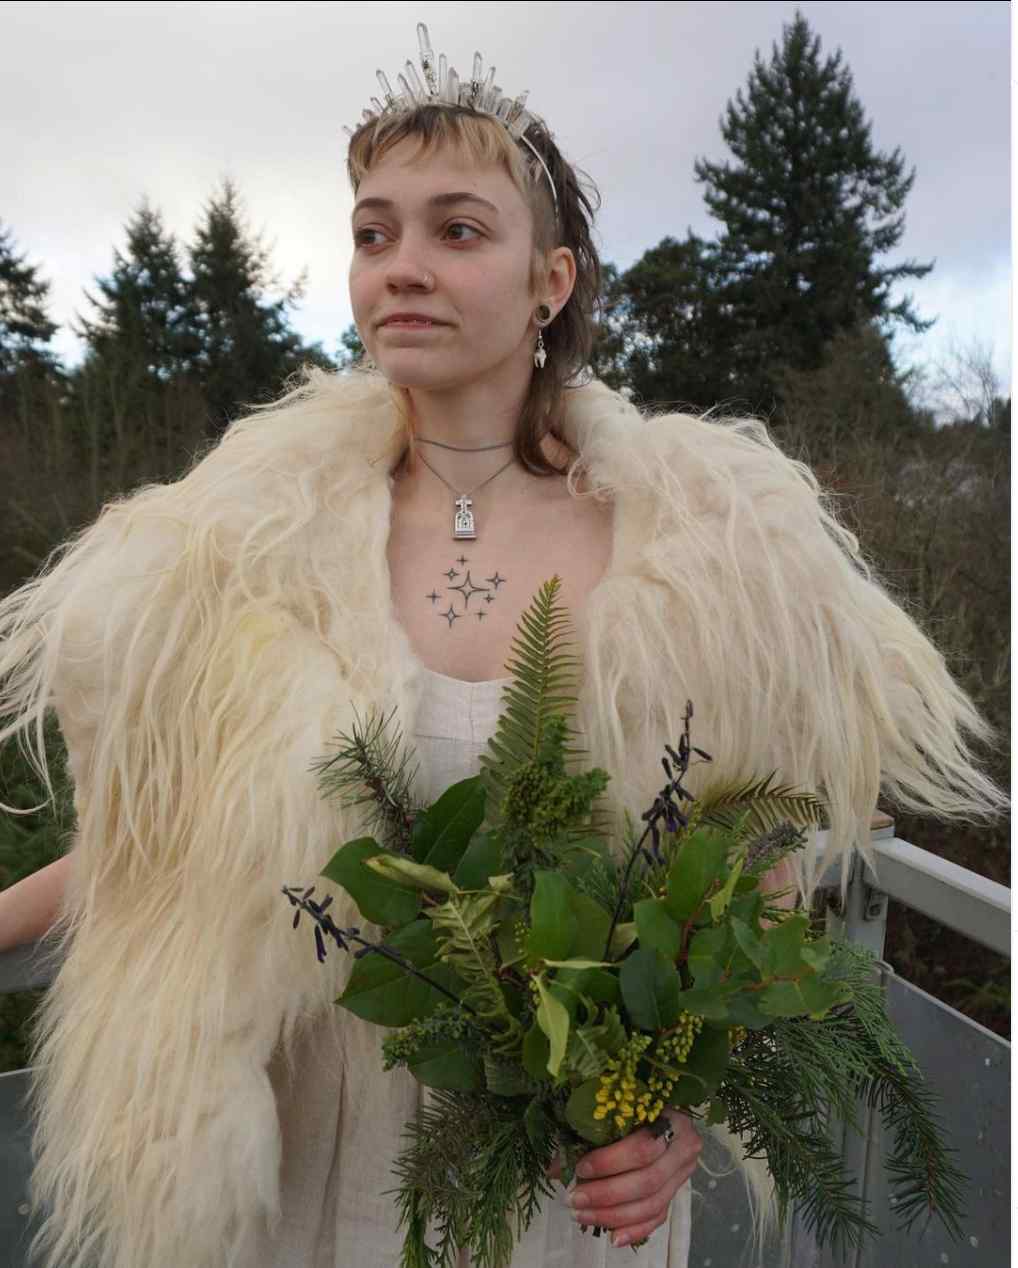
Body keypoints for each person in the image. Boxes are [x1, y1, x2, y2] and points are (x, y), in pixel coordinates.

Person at [0, 22, 1005, 1268]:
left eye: (456, 230)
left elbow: (757, 904)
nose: (400, 266)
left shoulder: (703, 562)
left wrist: (674, 1114)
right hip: (302, 1165)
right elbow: (148, 848)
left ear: (552, 279)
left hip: (559, 1194)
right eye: (374, 233)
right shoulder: (238, 552)